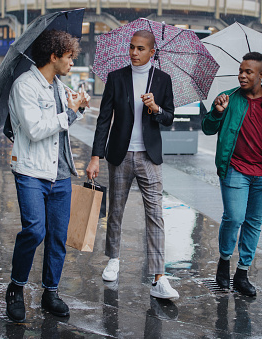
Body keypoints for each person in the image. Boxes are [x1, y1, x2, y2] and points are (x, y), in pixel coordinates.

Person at [86, 30, 179, 300]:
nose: (134, 53)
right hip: (120, 154)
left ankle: (159, 276)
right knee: (115, 209)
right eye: (131, 47)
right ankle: (113, 258)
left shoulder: (162, 80)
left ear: (152, 52)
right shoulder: (116, 78)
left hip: (149, 156)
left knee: (156, 215)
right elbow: (104, 119)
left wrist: (156, 108)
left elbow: (169, 117)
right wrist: (96, 155)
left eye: (140, 48)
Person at [5, 29, 90, 322]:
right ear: (53, 56)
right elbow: (35, 129)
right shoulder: (24, 86)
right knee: (34, 230)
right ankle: (16, 288)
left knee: (57, 236)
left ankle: (50, 292)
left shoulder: (58, 87)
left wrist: (77, 109)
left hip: (61, 172)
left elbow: (60, 128)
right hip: (31, 171)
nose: (71, 63)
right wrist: (69, 114)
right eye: (68, 57)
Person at [201, 52, 262, 297]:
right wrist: (217, 112)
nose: (242, 76)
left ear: (260, 75)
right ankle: (224, 262)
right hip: (235, 169)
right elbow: (207, 128)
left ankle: (242, 274)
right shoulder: (229, 98)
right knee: (234, 218)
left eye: (248, 72)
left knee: (253, 223)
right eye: (240, 71)